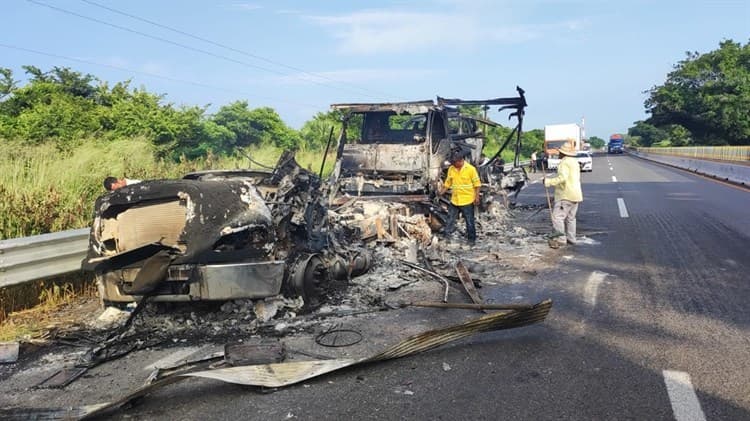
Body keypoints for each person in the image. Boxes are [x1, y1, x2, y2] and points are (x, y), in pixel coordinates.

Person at [543, 141, 583, 248]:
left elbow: (562, 178)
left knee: (557, 217)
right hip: (576, 195)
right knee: (571, 218)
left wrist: (548, 182)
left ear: (563, 153)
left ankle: (560, 239)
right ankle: (571, 238)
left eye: (560, 152)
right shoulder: (574, 162)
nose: (558, 154)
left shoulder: (564, 163)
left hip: (565, 195)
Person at [438, 151, 481, 245]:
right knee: (450, 219)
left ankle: (471, 240)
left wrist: (476, 197)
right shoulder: (451, 169)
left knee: (469, 221)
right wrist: (440, 193)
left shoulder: (470, 169)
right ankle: (446, 237)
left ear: (460, 161)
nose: (453, 164)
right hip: (455, 200)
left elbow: (477, 185)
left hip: (467, 200)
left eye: (454, 163)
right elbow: (448, 183)